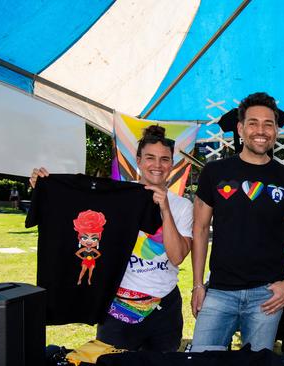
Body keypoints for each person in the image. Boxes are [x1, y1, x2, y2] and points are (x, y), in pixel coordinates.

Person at [30, 125, 193, 352]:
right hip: (117, 307)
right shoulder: (117, 197)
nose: (157, 165)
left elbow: (177, 257)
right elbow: (75, 204)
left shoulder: (183, 206)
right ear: (138, 160)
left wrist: (165, 208)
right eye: (150, 157)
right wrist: (47, 187)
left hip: (163, 307)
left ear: (172, 163)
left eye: (164, 159)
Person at [190, 92, 284, 352]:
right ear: (240, 128)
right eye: (253, 123)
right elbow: (199, 229)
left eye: (269, 124)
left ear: (276, 130)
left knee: (257, 363)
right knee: (202, 359)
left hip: (266, 295)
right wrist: (198, 285)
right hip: (219, 291)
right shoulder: (215, 172)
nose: (261, 130)